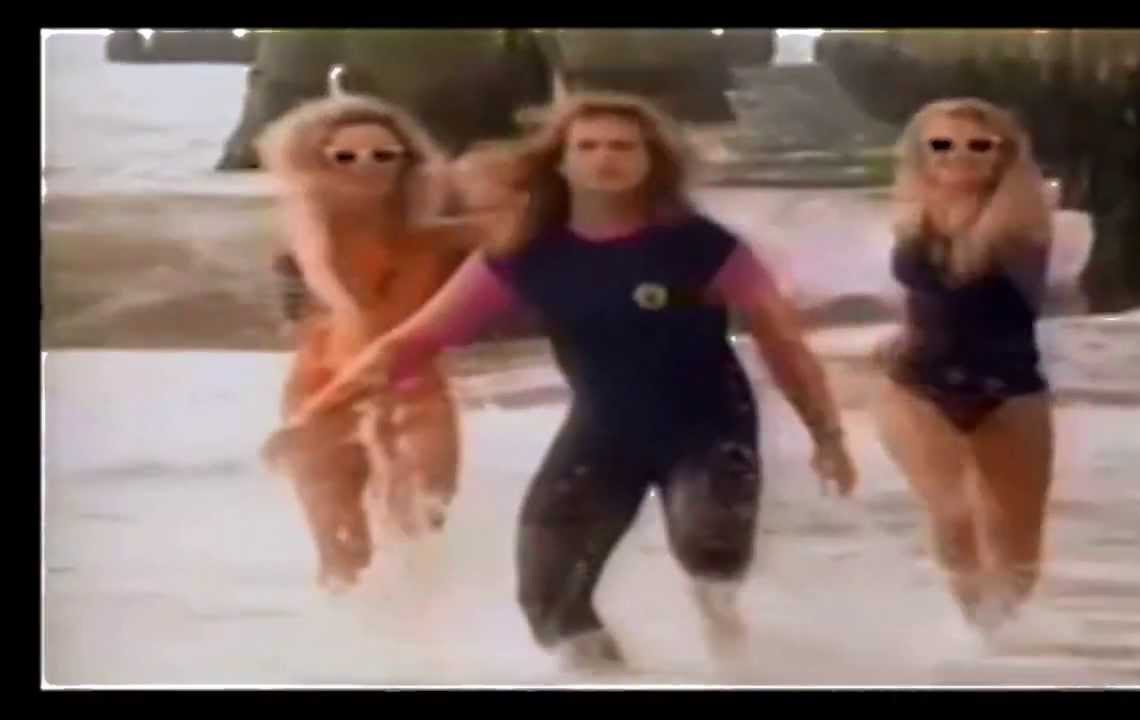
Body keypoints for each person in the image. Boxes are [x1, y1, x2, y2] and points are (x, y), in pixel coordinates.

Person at [289, 93, 858, 668]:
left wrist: (827, 434)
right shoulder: (525, 254)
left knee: (708, 549)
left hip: (710, 428)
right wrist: (316, 413)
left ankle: (734, 660)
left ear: (651, 160)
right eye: (587, 146)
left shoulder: (702, 246)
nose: (604, 158)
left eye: (622, 146)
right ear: (560, 161)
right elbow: (410, 344)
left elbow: (782, 342)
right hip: (604, 434)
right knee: (549, 601)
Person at [254, 94, 478, 592]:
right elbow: (317, 260)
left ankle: (420, 636)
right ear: (317, 160)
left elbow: (508, 232)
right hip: (326, 380)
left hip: (415, 383)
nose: (366, 166)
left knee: (423, 526)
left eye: (383, 155)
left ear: (406, 160)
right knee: (341, 550)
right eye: (345, 156)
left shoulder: (432, 220)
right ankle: (339, 637)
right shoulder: (311, 210)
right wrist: (347, 307)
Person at [871, 98, 1055, 634]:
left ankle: (999, 638)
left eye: (979, 145)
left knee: (1019, 547)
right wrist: (902, 334)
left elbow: (993, 299)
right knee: (951, 513)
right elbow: (930, 299)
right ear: (921, 153)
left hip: (1009, 386)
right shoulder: (912, 215)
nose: (959, 155)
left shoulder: (1023, 222)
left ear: (1004, 155)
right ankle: (972, 631)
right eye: (942, 145)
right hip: (918, 383)